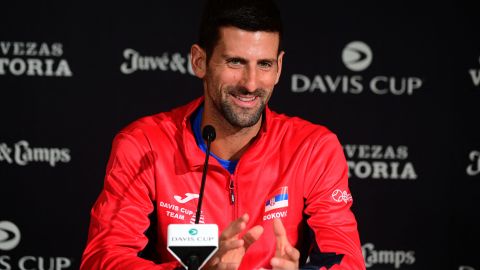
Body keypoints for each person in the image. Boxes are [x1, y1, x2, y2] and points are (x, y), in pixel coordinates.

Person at [81, 0, 365, 269]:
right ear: (199, 60)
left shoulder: (313, 148)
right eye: (235, 62)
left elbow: (346, 259)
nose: (251, 83)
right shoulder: (144, 144)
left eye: (264, 64)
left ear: (279, 67)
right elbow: (103, 258)